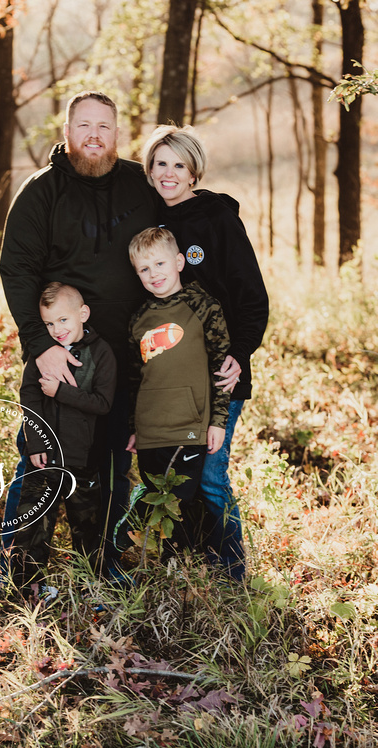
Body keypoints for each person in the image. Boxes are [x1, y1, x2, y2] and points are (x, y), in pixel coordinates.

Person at [0, 91, 157, 591]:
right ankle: (16, 569)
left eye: (104, 126)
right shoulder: (41, 192)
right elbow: (16, 270)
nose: (94, 135)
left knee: (112, 464)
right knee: (41, 459)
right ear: (67, 131)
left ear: (118, 134)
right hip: (62, 350)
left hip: (122, 355)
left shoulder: (138, 187)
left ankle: (103, 564)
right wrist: (42, 345)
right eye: (84, 125)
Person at [141, 125, 269, 580]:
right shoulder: (146, 218)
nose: (169, 173)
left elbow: (252, 297)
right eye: (160, 163)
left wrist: (240, 352)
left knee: (211, 476)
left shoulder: (217, 220)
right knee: (175, 474)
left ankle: (232, 574)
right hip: (168, 375)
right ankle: (186, 565)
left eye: (179, 164)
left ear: (194, 170)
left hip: (218, 372)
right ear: (149, 169)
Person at [0, 282, 117, 599]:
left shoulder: (101, 353)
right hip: (43, 459)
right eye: (48, 323)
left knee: (87, 527)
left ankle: (91, 589)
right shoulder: (42, 355)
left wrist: (62, 392)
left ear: (82, 314)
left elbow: (102, 403)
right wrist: (36, 444)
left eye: (63, 320)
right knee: (33, 525)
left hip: (81, 461)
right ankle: (27, 587)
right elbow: (28, 395)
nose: (57, 329)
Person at [125, 227, 230, 558]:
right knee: (157, 501)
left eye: (159, 264)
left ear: (179, 262)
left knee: (184, 502)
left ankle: (197, 568)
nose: (153, 274)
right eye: (144, 269)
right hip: (150, 430)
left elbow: (221, 369)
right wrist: (132, 426)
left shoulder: (204, 307)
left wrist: (218, 420)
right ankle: (167, 569)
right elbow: (133, 379)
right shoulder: (139, 319)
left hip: (189, 426)